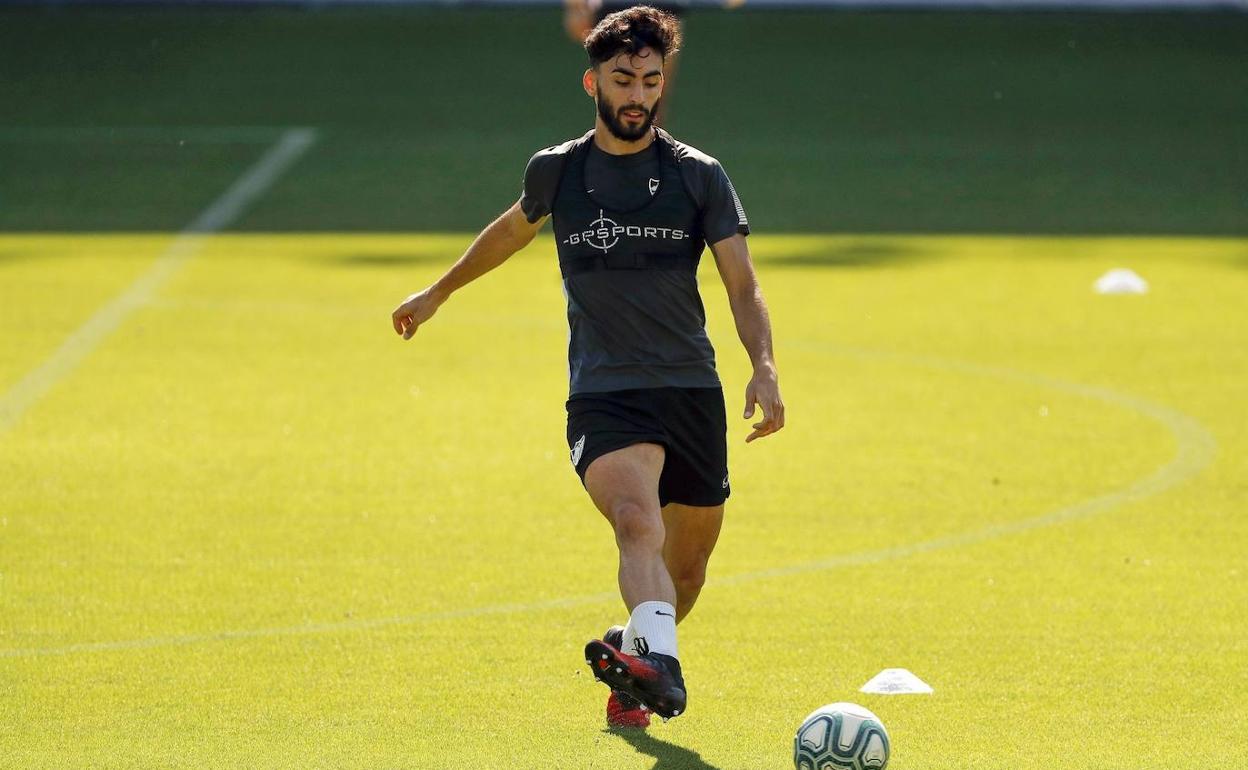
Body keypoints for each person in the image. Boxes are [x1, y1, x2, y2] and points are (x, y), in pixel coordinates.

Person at [391, 5, 784, 728]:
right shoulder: (560, 170)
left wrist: (764, 365)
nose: (637, 94)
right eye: (623, 79)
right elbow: (511, 231)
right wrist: (438, 290)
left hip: (691, 389)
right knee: (638, 523)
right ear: (591, 81)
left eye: (650, 80)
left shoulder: (699, 177)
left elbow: (742, 283)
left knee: (687, 573)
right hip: (606, 393)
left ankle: (632, 651)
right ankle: (661, 667)